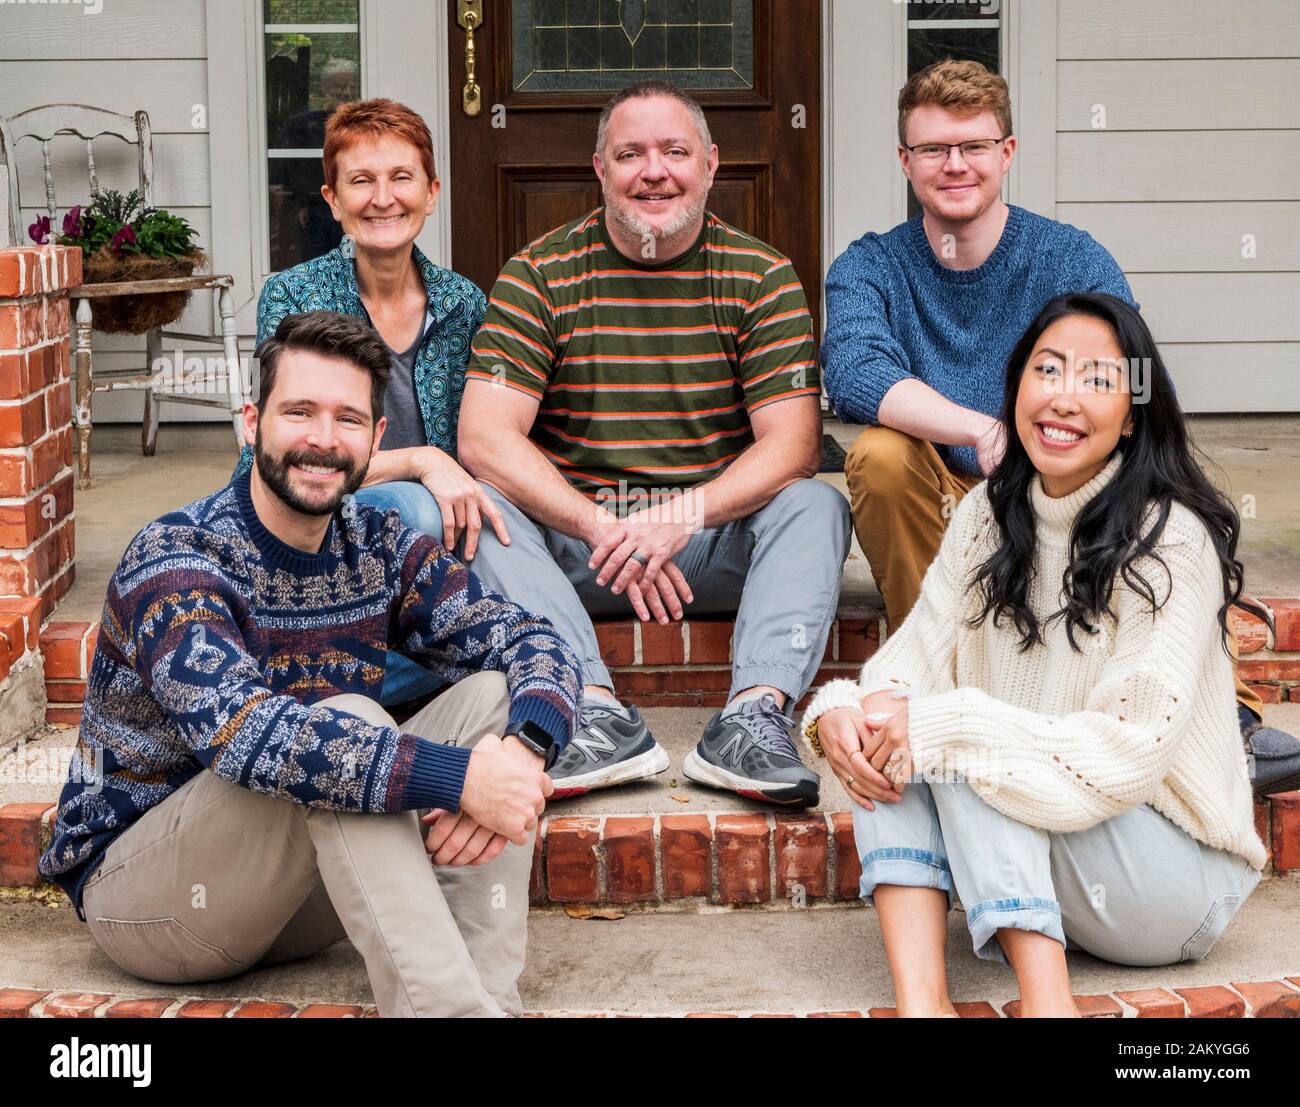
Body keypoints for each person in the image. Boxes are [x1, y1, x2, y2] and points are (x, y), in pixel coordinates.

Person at [41, 312, 581, 1018]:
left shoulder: (379, 542)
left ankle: (484, 1003)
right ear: (251, 422)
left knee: (490, 696)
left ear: (376, 440)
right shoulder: (177, 555)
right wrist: (461, 778)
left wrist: (518, 754)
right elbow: (249, 736)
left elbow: (535, 641)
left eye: (348, 418)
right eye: (299, 411)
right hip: (152, 895)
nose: (323, 439)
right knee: (347, 727)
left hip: (294, 892)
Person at [821, 57, 1300, 798]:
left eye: (974, 146)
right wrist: (985, 429)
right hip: (944, 490)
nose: (955, 165)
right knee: (880, 455)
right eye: (934, 149)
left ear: (1006, 153)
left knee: (1151, 473)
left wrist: (1051, 439)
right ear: (904, 160)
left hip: (1057, 482)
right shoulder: (871, 265)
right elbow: (854, 371)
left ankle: (1219, 718)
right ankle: (938, 685)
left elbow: (1138, 384)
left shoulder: (1069, 257)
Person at [802, 293, 1266, 1017]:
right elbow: (907, 665)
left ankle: (1049, 1006)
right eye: (1048, 370)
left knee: (956, 737)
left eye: (1098, 380)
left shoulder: (1171, 539)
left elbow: (1128, 753)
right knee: (897, 726)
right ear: (1016, 387)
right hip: (1063, 858)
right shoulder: (991, 512)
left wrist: (953, 726)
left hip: (1174, 876)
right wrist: (840, 715)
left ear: (1135, 412)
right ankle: (923, 1003)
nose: (1065, 398)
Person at [456, 79, 851, 805]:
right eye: (630, 153)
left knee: (815, 506)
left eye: (675, 151)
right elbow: (484, 437)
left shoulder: (760, 277)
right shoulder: (539, 275)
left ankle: (752, 718)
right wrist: (603, 524)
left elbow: (792, 444)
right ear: (600, 170)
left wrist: (679, 517)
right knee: (479, 503)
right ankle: (593, 713)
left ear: (711, 164)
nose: (654, 171)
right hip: (580, 549)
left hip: (707, 546)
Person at [238, 97, 507, 709]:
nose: (383, 198)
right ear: (332, 199)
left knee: (499, 527)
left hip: (429, 549)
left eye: (401, 178)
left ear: (431, 192)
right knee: (412, 507)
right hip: (313, 528)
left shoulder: (464, 303)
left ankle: (321, 674)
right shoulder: (293, 296)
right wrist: (421, 462)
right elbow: (283, 452)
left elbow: (486, 441)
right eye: (361, 181)